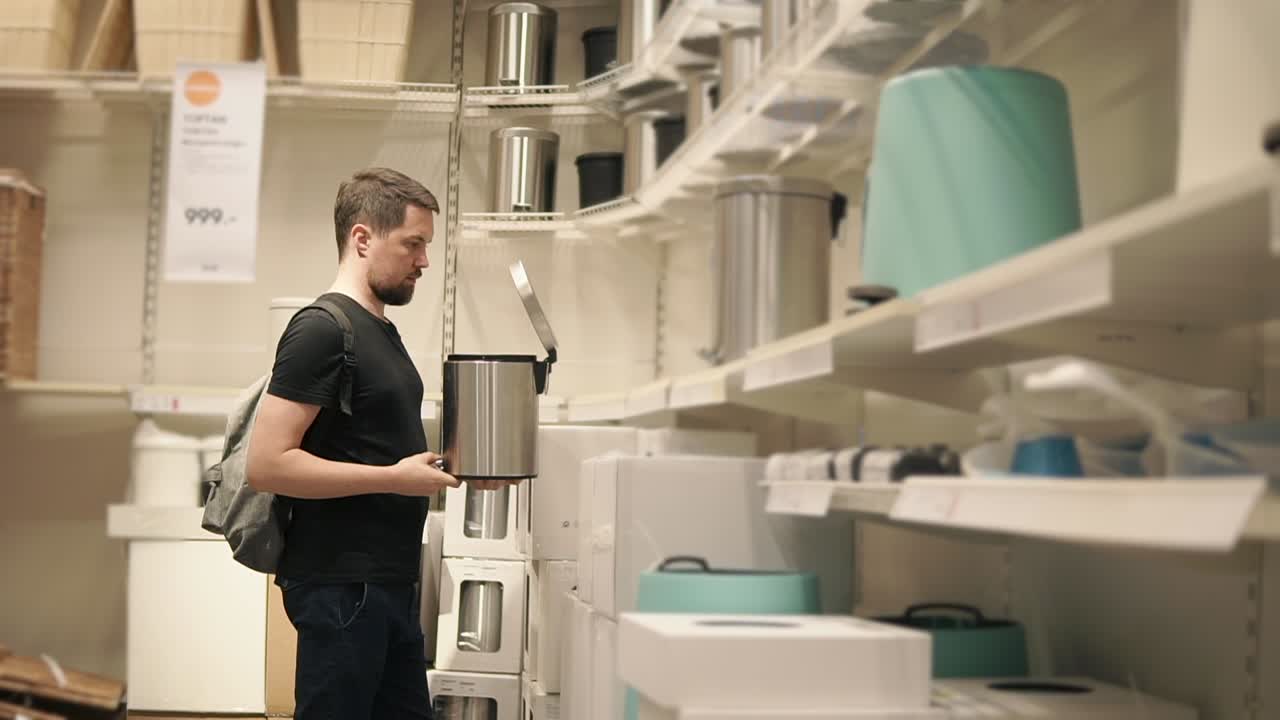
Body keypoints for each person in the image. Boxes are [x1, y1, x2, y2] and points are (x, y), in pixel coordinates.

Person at [247, 167, 484, 719]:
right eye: (413, 244)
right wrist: (394, 479)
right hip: (341, 587)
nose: (424, 261)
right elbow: (267, 464)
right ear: (361, 238)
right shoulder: (322, 329)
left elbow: (369, 446)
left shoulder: (380, 330)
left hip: (385, 583)